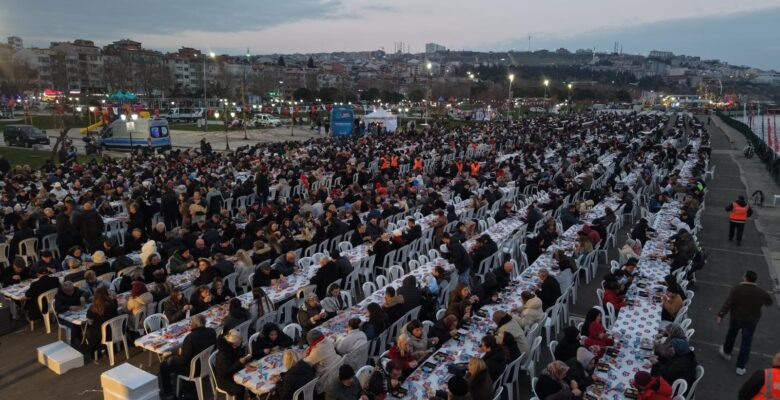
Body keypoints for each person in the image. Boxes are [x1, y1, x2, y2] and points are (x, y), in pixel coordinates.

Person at [718, 270, 773, 375]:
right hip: (751, 321)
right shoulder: (761, 292)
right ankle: (740, 366)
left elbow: (728, 303)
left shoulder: (737, 289)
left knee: (731, 335)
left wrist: (721, 314)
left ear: (745, 278)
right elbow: (769, 302)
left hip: (736, 318)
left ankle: (727, 352)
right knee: (746, 343)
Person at [158, 314, 217, 397]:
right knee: (171, 359)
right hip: (206, 364)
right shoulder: (211, 331)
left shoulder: (190, 338)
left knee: (164, 365)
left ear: (195, 325)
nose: (190, 324)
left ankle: (167, 391)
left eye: (191, 323)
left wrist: (171, 360)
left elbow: (183, 359)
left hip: (192, 369)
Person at [214, 329, 252, 398]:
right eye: (239, 343)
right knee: (241, 387)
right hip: (224, 380)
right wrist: (239, 362)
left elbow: (237, 356)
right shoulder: (223, 354)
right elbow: (226, 372)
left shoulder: (232, 348)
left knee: (250, 377)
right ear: (233, 344)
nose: (241, 344)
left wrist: (245, 358)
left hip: (234, 372)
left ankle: (252, 396)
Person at [83, 287, 119, 361]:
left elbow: (89, 321)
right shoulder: (113, 303)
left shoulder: (93, 308)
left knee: (86, 329)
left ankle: (95, 350)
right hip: (116, 330)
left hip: (103, 335)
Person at [304, 329, 343, 393]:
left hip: (326, 375)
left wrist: (304, 355)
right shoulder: (327, 340)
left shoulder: (317, 351)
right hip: (336, 367)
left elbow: (306, 363)